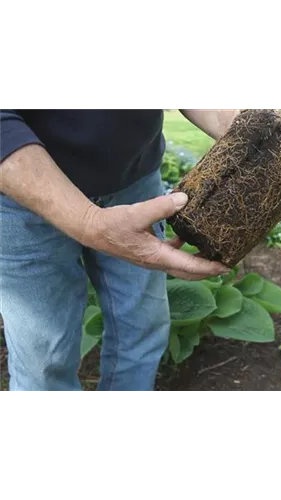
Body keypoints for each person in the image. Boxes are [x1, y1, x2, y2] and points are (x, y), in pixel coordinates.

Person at [0, 104, 240, 392]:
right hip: (23, 196)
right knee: (44, 359)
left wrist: (245, 130)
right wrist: (88, 221)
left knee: (142, 328)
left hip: (135, 183)